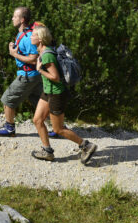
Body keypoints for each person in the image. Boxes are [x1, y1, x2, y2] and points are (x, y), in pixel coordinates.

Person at [30, 24, 97, 164]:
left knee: (58, 129)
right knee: (37, 120)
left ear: (40, 39)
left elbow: (55, 77)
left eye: (33, 35)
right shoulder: (43, 52)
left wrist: (40, 70)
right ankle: (47, 151)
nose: (31, 37)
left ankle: (86, 145)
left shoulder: (47, 55)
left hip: (56, 94)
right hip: (48, 92)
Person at [0, 7, 43, 137]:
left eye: (15, 16)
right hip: (35, 76)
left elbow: (33, 59)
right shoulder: (23, 33)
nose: (12, 18)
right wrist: (14, 49)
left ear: (22, 19)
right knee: (40, 102)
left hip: (27, 76)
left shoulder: (28, 36)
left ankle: (9, 128)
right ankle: (57, 127)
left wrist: (14, 54)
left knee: (8, 99)